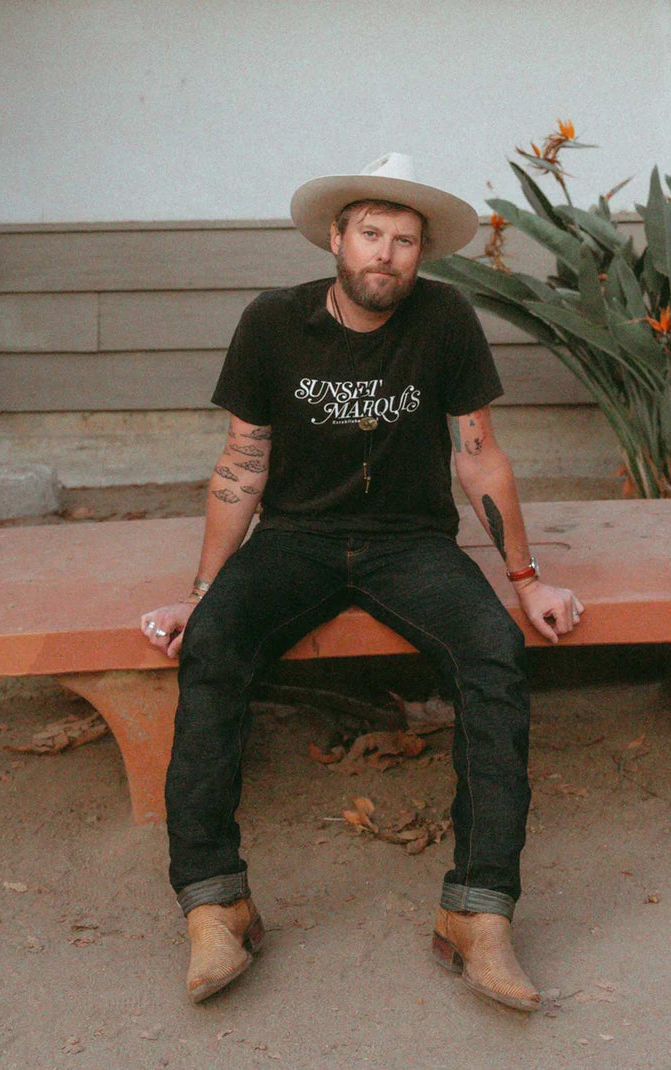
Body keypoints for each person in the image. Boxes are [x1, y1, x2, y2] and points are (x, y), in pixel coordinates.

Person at [141, 152, 583, 1012]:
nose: (386, 253)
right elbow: (242, 463)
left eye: (405, 241)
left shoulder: (445, 319)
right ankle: (216, 907)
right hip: (296, 539)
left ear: (423, 254)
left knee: (493, 651)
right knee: (217, 646)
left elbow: (478, 452)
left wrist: (525, 579)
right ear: (337, 239)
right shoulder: (274, 322)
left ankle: (479, 914)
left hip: (408, 542)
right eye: (371, 234)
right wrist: (202, 595)